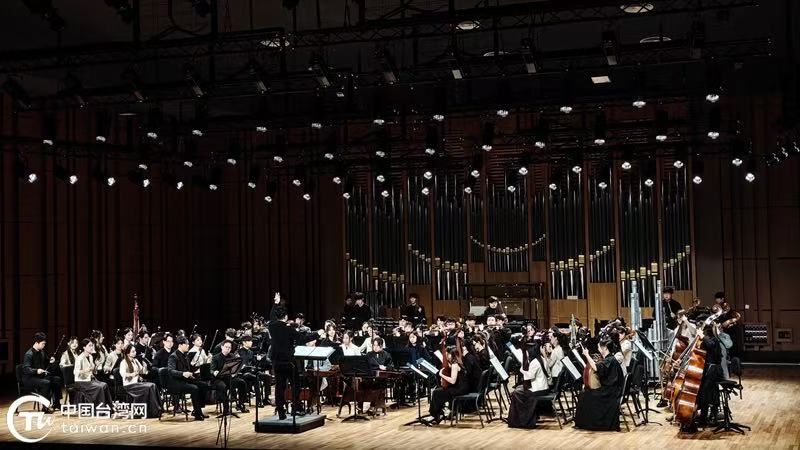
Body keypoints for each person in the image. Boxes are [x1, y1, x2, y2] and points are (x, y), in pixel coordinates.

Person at [268, 306, 317, 420]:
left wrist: (275, 304)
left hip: (276, 361)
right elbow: (302, 339)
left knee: (279, 386)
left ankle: (281, 411)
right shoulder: (288, 329)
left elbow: (272, 318)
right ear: (285, 317)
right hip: (289, 361)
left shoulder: (271, 326)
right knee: (296, 384)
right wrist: (317, 334)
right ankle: (295, 407)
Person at [574, 337, 625, 431]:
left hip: (611, 392)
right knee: (585, 393)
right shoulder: (610, 358)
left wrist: (587, 355)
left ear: (605, 348)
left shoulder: (610, 360)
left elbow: (596, 368)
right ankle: (586, 422)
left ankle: (589, 423)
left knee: (585, 395)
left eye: (599, 347)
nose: (598, 348)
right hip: (612, 389)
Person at [508, 342, 551, 429]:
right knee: (519, 389)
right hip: (544, 387)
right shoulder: (541, 358)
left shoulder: (535, 362)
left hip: (539, 389)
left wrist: (522, 369)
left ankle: (521, 420)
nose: (526, 353)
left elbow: (529, 376)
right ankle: (520, 418)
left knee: (516, 393)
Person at [167, 336, 210, 421]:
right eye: (186, 344)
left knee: (204, 385)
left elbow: (188, 368)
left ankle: (197, 410)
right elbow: (171, 371)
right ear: (180, 345)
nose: (188, 346)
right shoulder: (173, 356)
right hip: (176, 382)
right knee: (194, 388)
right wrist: (183, 373)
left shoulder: (186, 355)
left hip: (186, 380)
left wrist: (194, 368)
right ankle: (197, 414)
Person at [21, 332, 63, 413]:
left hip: (39, 377)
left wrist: (51, 361)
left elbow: (47, 362)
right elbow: (26, 369)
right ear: (37, 343)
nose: (44, 345)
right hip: (29, 378)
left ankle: (56, 403)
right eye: (43, 344)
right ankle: (45, 407)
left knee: (57, 379)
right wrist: (36, 371)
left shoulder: (41, 352)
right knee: (45, 383)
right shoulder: (29, 354)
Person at [426, 347, 470, 424]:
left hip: (459, 389)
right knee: (439, 391)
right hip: (462, 387)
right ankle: (439, 413)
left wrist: (441, 375)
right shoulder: (459, 361)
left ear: (451, 355)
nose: (446, 355)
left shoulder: (455, 365)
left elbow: (453, 381)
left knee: (436, 393)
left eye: (447, 354)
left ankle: (435, 415)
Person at [119, 344, 162, 418]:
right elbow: (123, 374)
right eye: (133, 351)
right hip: (129, 385)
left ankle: (157, 408)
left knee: (153, 385)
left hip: (136, 384)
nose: (135, 353)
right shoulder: (124, 362)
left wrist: (145, 367)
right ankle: (152, 411)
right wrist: (132, 374)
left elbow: (142, 371)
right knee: (148, 387)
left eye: (135, 351)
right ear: (128, 353)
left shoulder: (135, 360)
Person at [210, 339, 249, 415]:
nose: (227, 349)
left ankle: (241, 404)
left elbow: (236, 367)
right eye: (226, 347)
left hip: (229, 378)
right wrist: (214, 372)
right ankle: (226, 408)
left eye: (229, 348)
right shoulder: (215, 357)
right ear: (222, 347)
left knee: (242, 382)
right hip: (219, 379)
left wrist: (235, 372)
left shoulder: (232, 356)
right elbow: (211, 369)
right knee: (223, 386)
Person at [73, 338, 114, 408]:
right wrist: (86, 370)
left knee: (105, 385)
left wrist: (95, 367)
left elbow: (93, 371)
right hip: (81, 382)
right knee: (99, 387)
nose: (91, 347)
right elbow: (75, 372)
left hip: (90, 379)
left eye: (92, 345)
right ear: (84, 347)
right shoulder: (80, 358)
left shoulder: (90, 357)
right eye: (89, 346)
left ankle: (109, 407)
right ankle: (100, 408)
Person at [238, 335, 271, 407]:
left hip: (252, 371)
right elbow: (242, 364)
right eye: (249, 341)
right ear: (244, 342)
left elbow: (254, 363)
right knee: (255, 378)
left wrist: (258, 359)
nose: (251, 342)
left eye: (251, 341)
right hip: (244, 373)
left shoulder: (250, 352)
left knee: (267, 376)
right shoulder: (240, 352)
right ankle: (258, 400)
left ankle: (266, 398)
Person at [713, 292, 742, 357]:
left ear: (722, 299)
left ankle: (733, 357)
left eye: (717, 298)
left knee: (731, 343)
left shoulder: (725, 305)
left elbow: (737, 316)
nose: (716, 300)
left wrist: (728, 321)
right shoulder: (719, 306)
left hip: (730, 328)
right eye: (716, 298)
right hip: (725, 329)